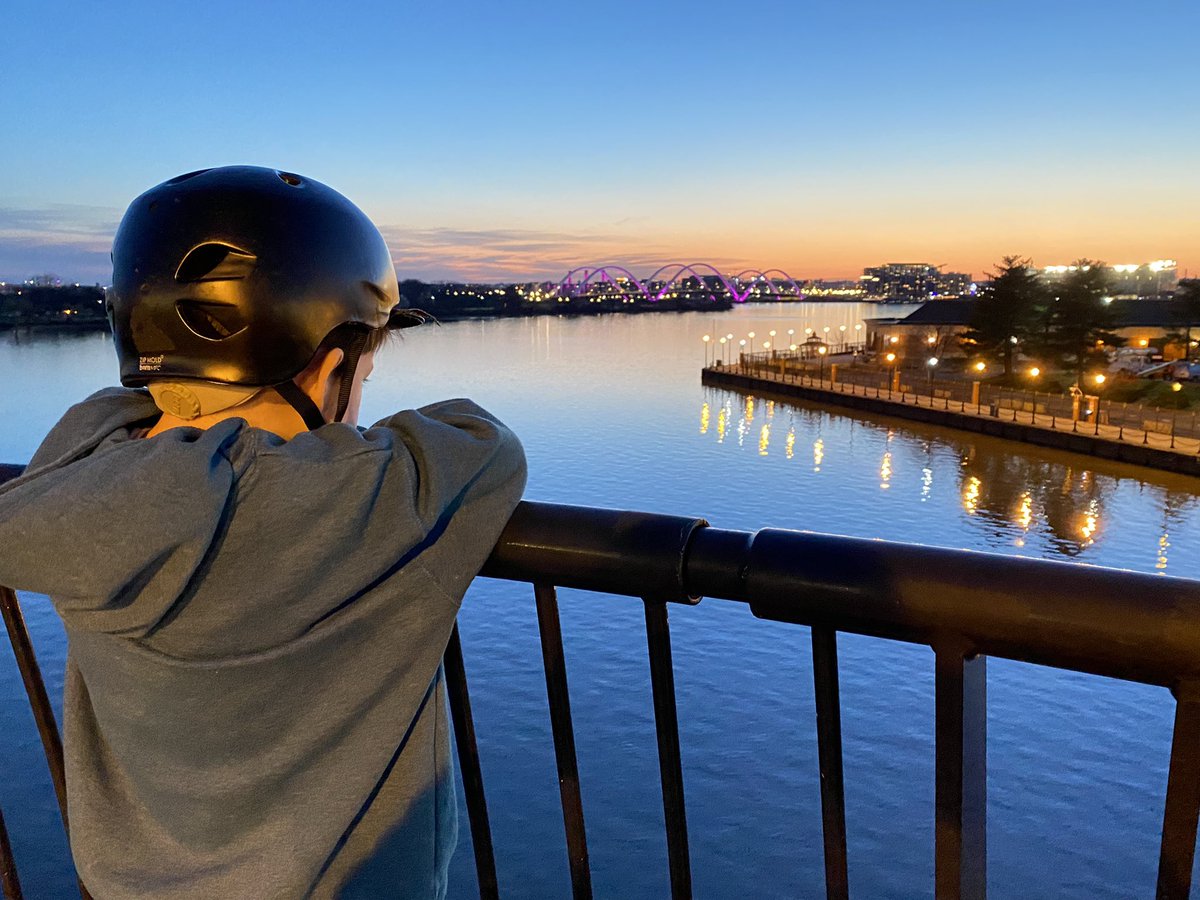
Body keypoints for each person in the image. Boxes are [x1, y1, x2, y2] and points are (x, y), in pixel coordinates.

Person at [0, 166, 527, 898]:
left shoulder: (72, 481)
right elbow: (485, 443)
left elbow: (106, 416)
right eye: (363, 378)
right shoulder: (368, 503)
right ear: (331, 368)